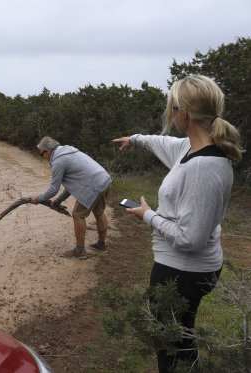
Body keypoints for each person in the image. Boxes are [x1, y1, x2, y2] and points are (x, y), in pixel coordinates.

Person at [113, 75, 244, 372]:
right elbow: (162, 142)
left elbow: (190, 239)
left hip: (183, 272)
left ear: (183, 114)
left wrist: (148, 215)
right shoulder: (191, 149)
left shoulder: (204, 167)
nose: (170, 115)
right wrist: (134, 139)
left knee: (168, 347)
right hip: (188, 268)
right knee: (181, 342)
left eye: (172, 109)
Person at [31, 136, 112, 259]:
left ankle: (80, 251)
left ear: (48, 151)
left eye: (42, 154)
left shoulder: (57, 161)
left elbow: (53, 189)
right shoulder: (68, 150)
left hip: (92, 186)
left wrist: (38, 198)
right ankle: (101, 245)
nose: (42, 157)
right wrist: (60, 199)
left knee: (78, 214)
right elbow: (74, 182)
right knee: (99, 211)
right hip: (104, 180)